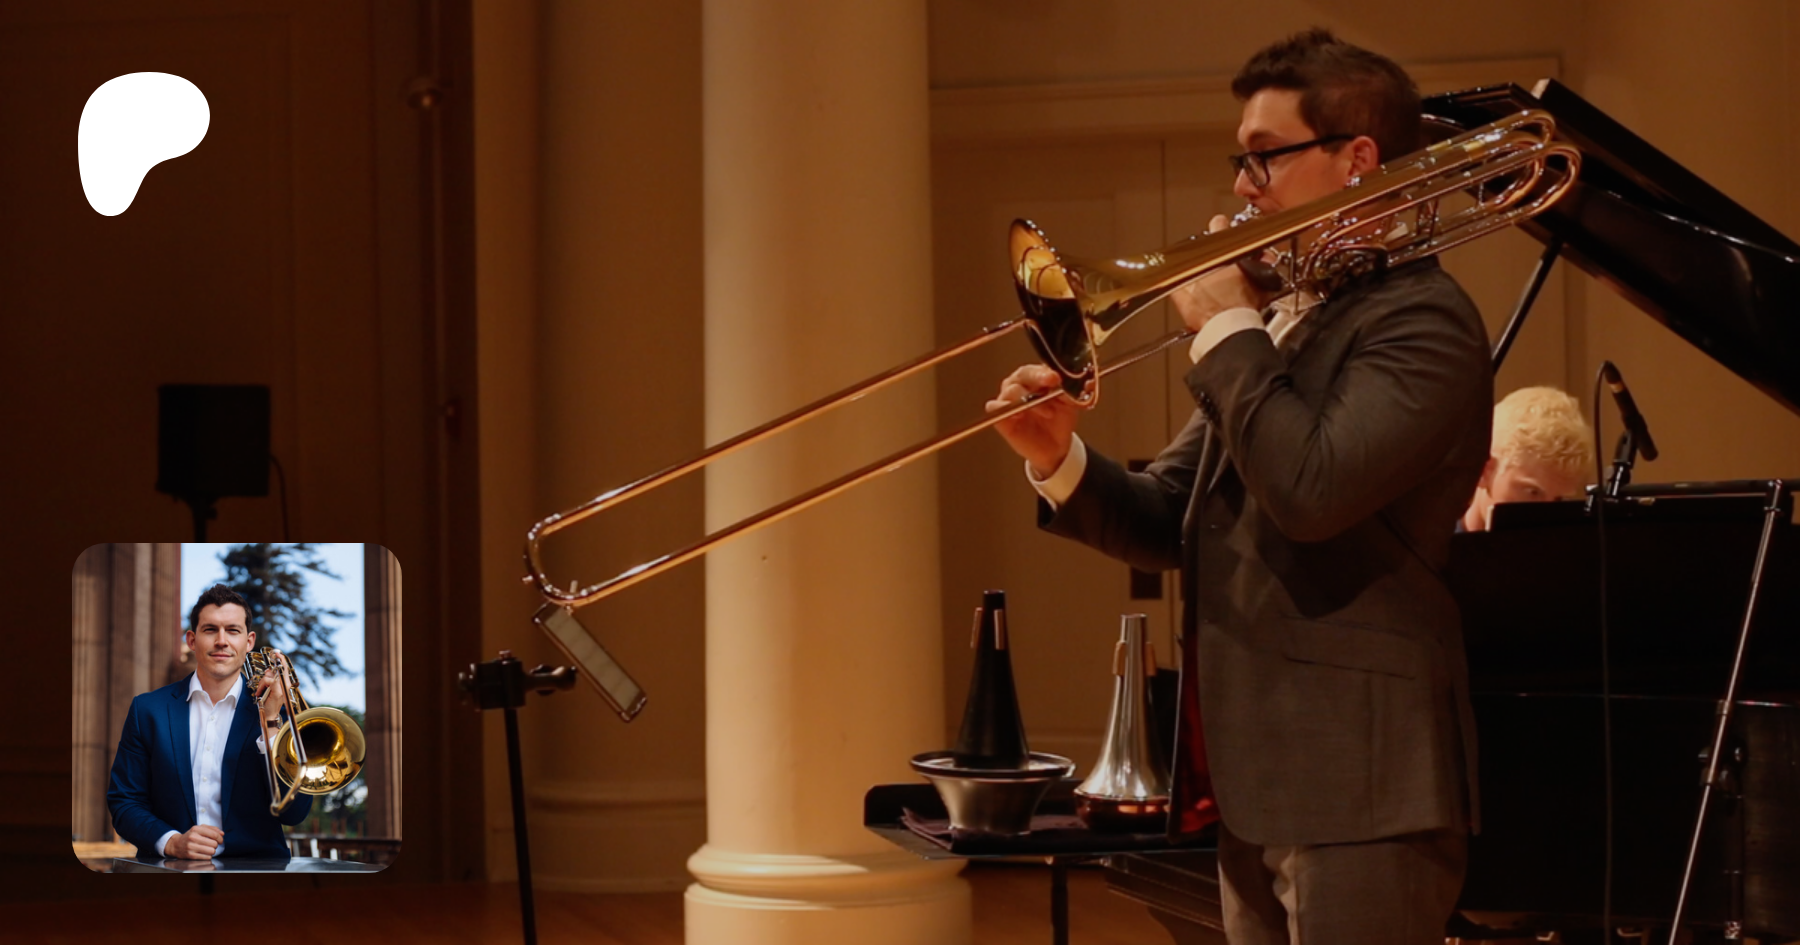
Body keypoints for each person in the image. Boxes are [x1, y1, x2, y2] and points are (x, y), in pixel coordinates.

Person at [988, 29, 1491, 945]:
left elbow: (1311, 490)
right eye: (1241, 160)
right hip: (1258, 774)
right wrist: (1058, 455)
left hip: (1364, 782)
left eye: (1265, 156)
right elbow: (1167, 518)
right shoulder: (1291, 326)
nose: (1242, 188)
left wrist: (1226, 329)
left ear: (1358, 159)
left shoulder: (1425, 321)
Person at [107, 584, 312, 860]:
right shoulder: (147, 710)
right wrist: (171, 842)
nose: (222, 641)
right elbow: (125, 801)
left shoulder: (281, 712)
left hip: (256, 873)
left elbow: (294, 813)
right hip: (171, 871)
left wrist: (271, 723)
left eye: (233, 630)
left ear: (249, 641)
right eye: (210, 630)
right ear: (192, 640)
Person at [1461, 385, 1593, 531]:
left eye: (1559, 500)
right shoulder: (1440, 542)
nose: (1545, 518)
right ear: (1484, 471)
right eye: (1533, 492)